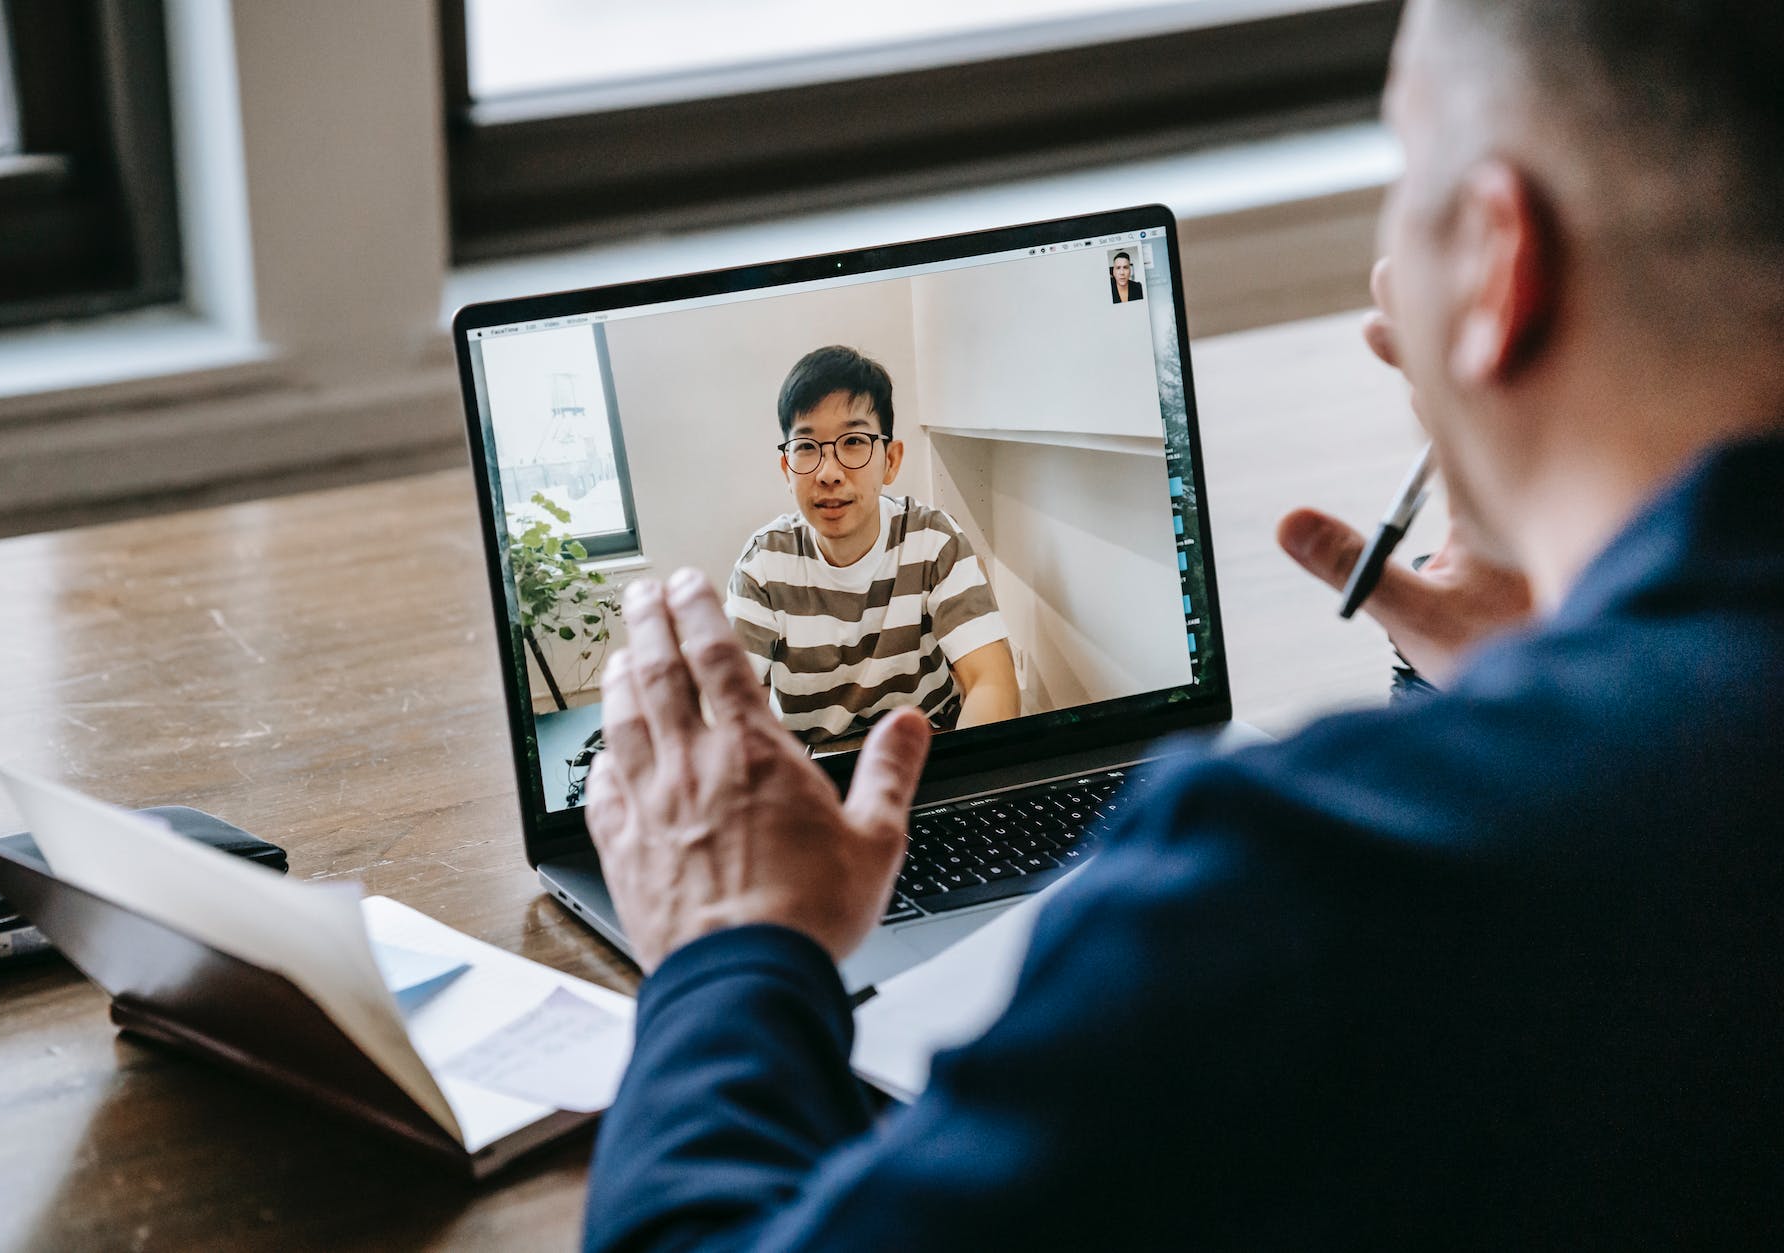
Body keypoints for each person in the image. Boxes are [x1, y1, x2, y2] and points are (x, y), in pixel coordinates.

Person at [582, 0, 1784, 1246]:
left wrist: (728, 948)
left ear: (1492, 262)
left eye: (1399, 165)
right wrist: (1542, 688)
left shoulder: (1287, 884)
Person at [726, 345, 1020, 748]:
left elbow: (993, 682)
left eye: (853, 442)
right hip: (817, 777)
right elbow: (732, 711)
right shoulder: (763, 565)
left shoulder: (933, 541)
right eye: (807, 447)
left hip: (928, 759)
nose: (829, 473)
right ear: (786, 468)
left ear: (891, 460)